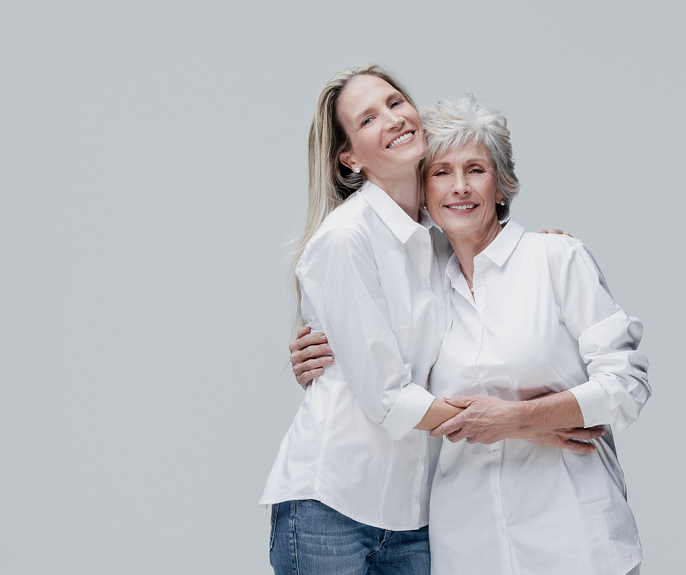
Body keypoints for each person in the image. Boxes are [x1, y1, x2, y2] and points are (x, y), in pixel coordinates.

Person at [262, 65, 596, 575]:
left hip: (412, 514)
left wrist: (535, 250)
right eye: (368, 118)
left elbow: (485, 279)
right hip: (331, 504)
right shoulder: (345, 239)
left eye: (396, 103)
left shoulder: (439, 239)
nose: (393, 119)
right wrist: (523, 425)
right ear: (348, 157)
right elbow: (387, 397)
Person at [419, 94, 650, 575]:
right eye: (441, 172)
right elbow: (382, 380)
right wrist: (314, 350)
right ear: (423, 194)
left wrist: (517, 419)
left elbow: (626, 385)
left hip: (573, 541)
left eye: (475, 170)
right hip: (467, 546)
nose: (459, 187)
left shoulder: (556, 260)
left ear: (502, 186)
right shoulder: (419, 288)